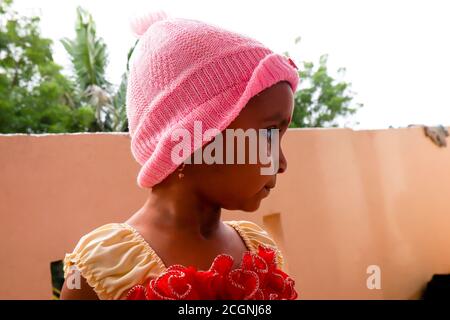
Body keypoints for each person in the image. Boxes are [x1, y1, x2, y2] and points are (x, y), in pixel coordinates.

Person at [60, 11, 299, 300]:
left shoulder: (259, 249)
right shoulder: (102, 271)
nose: (282, 163)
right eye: (269, 134)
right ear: (196, 137)